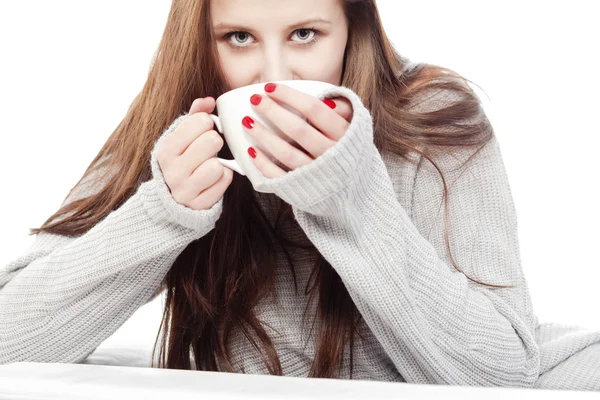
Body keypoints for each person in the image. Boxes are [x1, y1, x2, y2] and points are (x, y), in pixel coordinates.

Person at [1, 0, 599, 391]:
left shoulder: (433, 118)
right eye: (238, 37)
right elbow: (9, 340)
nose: (274, 74)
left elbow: (499, 375)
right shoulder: (173, 124)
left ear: (351, 32)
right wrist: (164, 216)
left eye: (305, 33)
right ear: (203, 44)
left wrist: (352, 201)